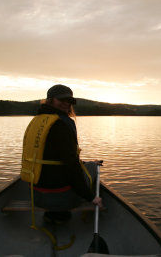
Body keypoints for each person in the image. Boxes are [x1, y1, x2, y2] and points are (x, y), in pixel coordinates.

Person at [21, 84, 102, 223]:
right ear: (50, 100)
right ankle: (60, 213)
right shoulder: (62, 123)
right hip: (61, 200)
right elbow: (71, 165)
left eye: (69, 101)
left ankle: (52, 214)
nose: (66, 103)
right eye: (61, 100)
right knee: (94, 168)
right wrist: (90, 197)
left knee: (86, 165)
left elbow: (52, 157)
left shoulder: (37, 120)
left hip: (36, 197)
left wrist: (82, 163)